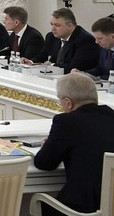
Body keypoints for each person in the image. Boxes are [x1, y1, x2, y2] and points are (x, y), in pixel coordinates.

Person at [33, 72, 114, 216]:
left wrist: (48, 145)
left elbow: (44, 163)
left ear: (68, 102)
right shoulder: (111, 115)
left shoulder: (65, 122)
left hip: (81, 209)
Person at [33, 8, 101, 72]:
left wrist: (51, 65)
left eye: (57, 25)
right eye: (52, 24)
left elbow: (74, 67)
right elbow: (43, 56)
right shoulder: (51, 36)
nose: (53, 28)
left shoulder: (85, 40)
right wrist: (31, 62)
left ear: (69, 26)